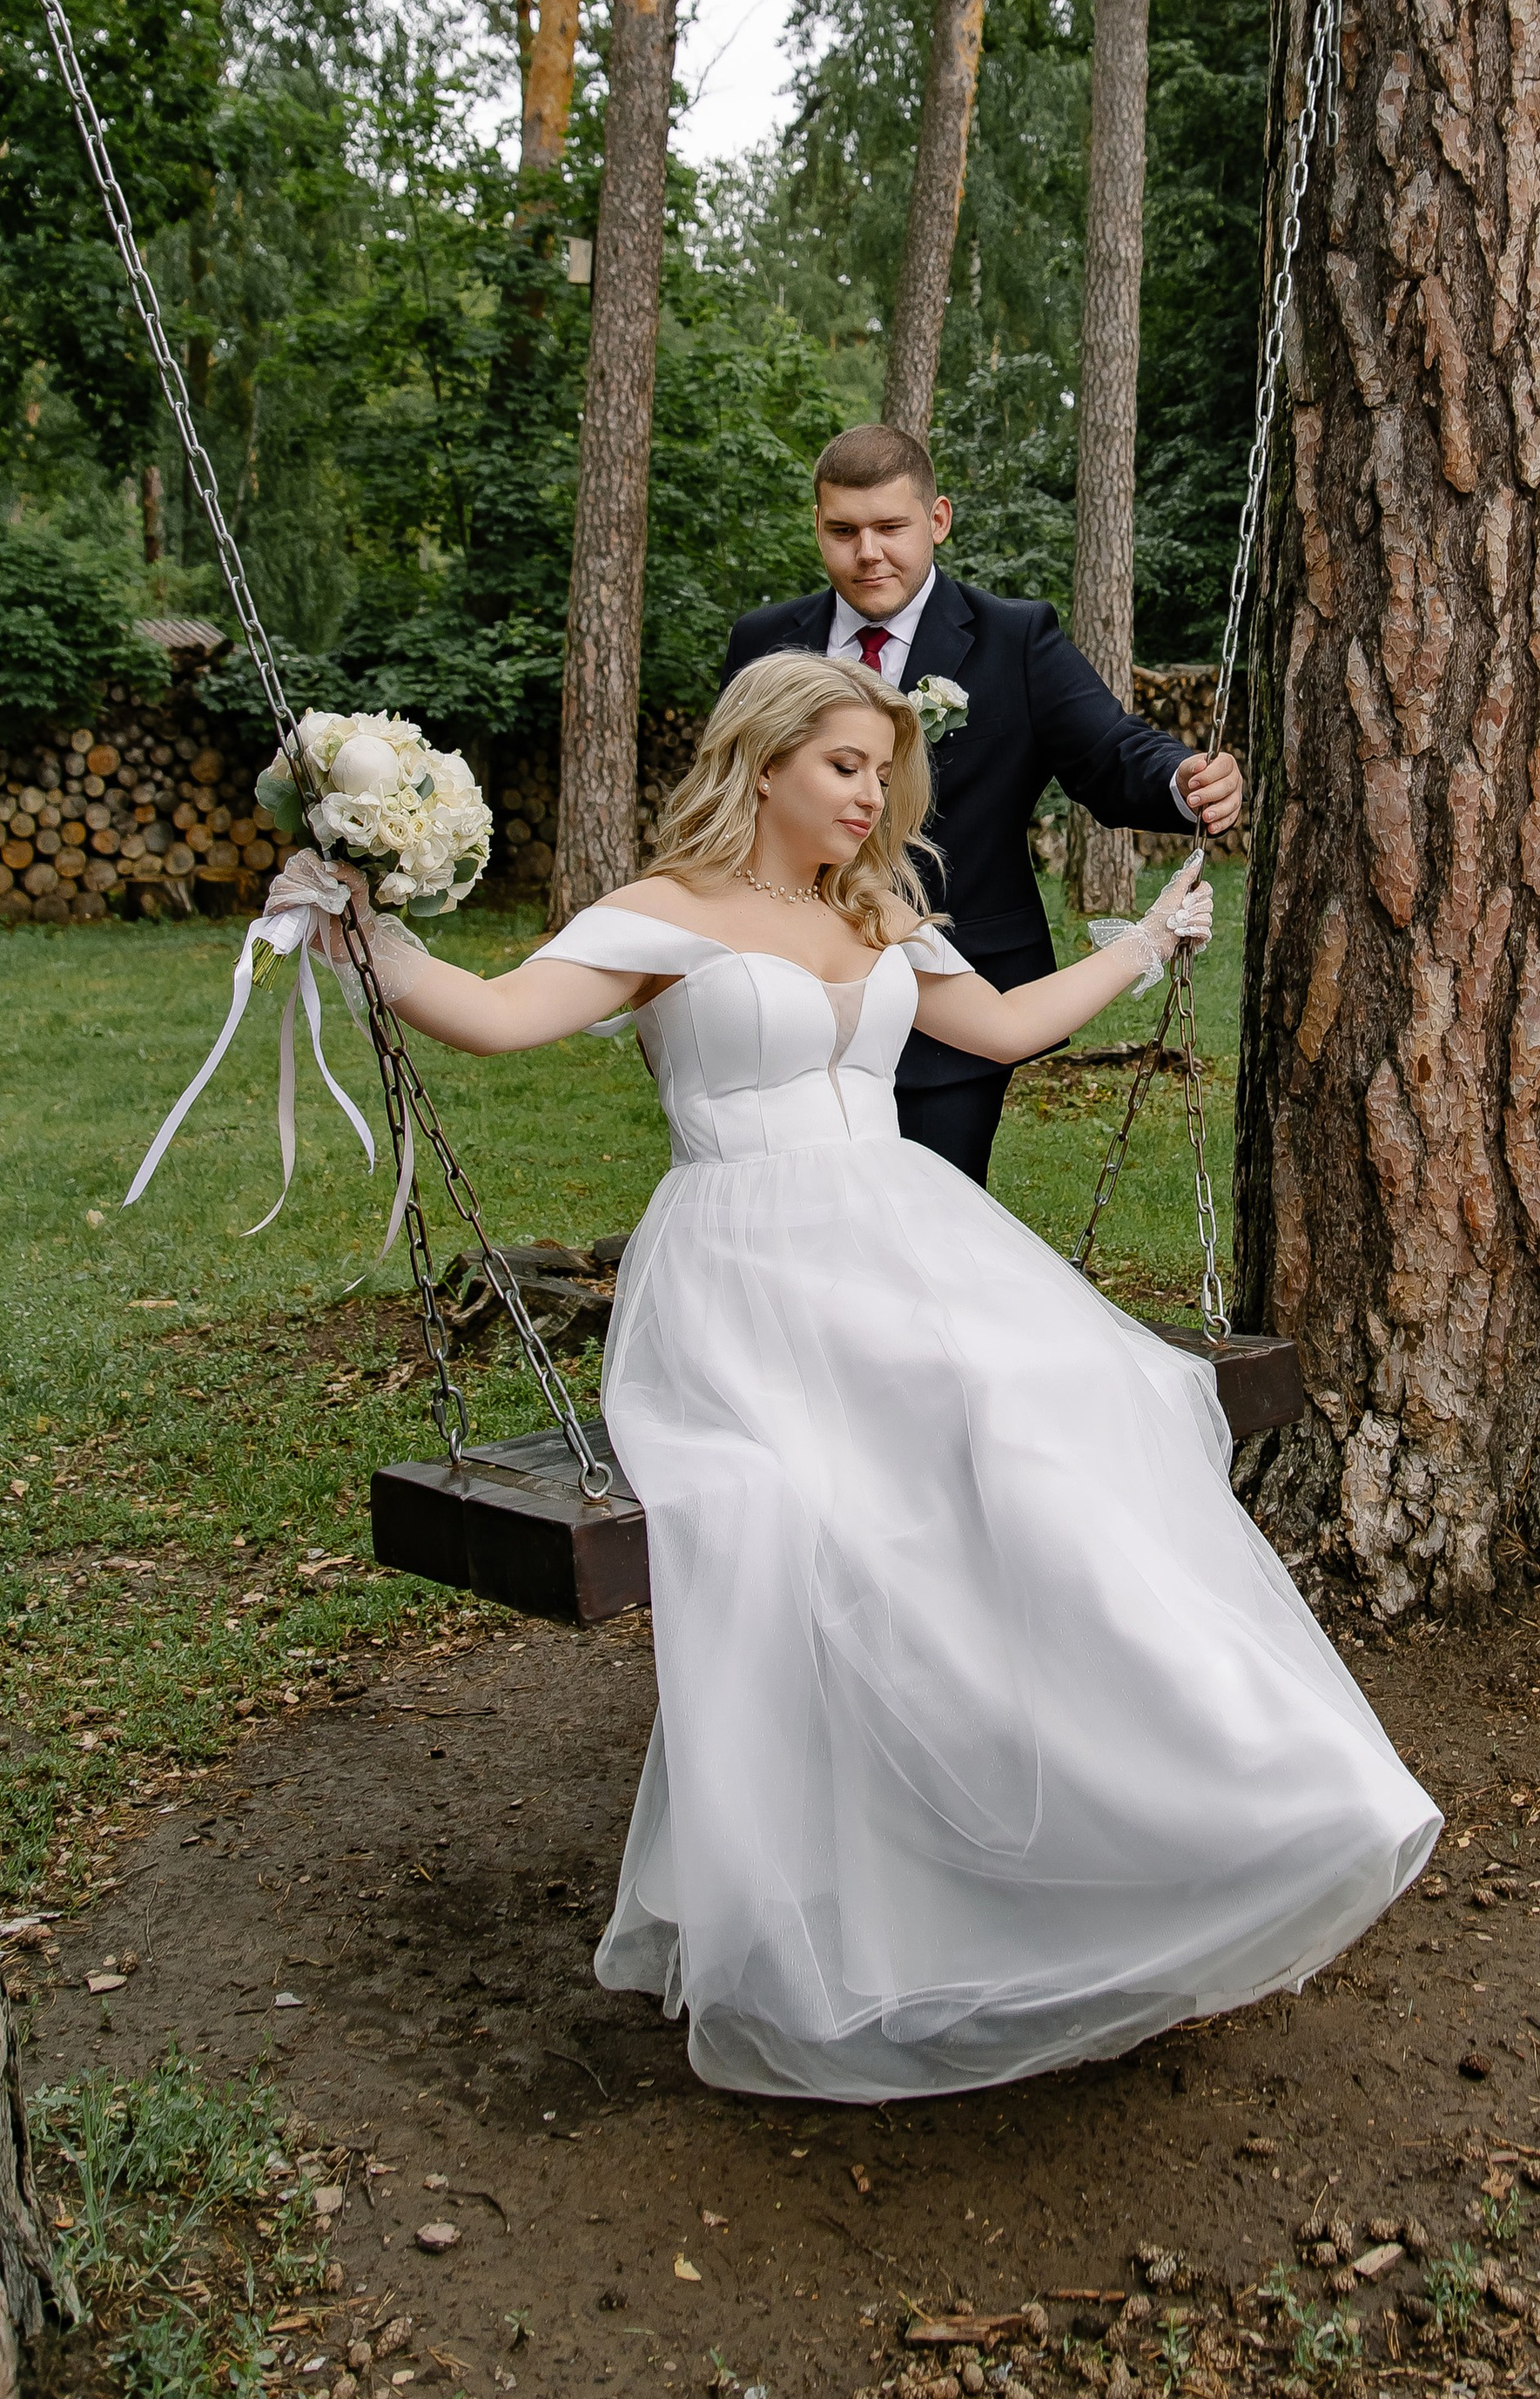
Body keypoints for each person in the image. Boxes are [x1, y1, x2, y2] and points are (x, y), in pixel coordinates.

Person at [312, 652, 1437, 2100]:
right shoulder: (661, 914)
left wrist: (1150, 941)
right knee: (827, 1520)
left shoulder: (878, 911)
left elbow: (1008, 1029)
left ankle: (1198, 1784)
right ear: (764, 760)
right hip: (744, 1272)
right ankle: (884, 1884)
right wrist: (365, 931)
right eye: (845, 766)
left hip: (905, 1234)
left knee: (1063, 1419)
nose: (872, 795)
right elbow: (494, 1016)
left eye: (881, 773)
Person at [721, 422, 1245, 1184]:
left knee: (925, 1218)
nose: (868, 551)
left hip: (957, 991)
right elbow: (730, 794)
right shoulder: (765, 641)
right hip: (790, 988)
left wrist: (1180, 777)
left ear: (937, 521)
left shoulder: (1013, 638)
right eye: (844, 530)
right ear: (819, 528)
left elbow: (1108, 752)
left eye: (890, 527)